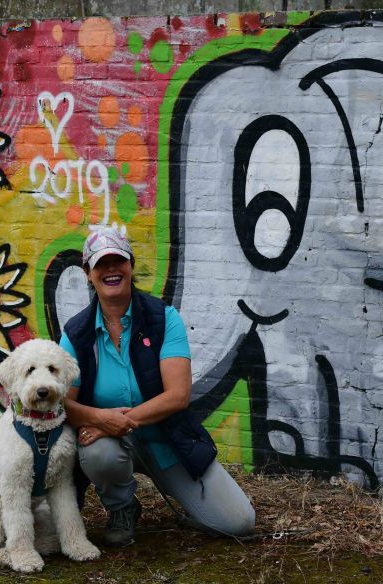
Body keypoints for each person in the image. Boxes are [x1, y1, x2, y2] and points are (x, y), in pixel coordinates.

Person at [59, 226, 255, 547]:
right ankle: (123, 508)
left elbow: (178, 396)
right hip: (108, 445)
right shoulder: (76, 334)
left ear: (130, 266)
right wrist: (99, 420)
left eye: (117, 261)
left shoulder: (164, 319)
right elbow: (64, 405)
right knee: (99, 453)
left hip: (168, 441)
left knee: (239, 523)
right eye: (101, 264)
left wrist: (118, 421)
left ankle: (187, 497)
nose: (111, 270)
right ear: (88, 274)